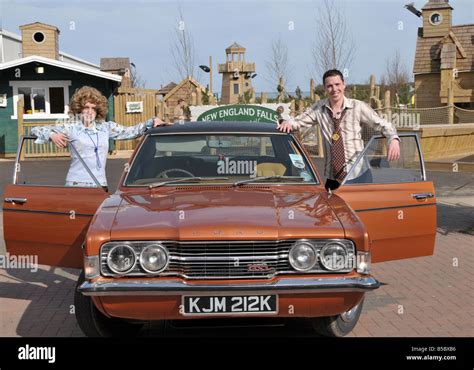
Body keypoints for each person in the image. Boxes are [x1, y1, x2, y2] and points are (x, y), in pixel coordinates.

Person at [278, 69, 400, 190]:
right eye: (329, 86)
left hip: (359, 175)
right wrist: (286, 122)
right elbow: (297, 122)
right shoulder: (318, 109)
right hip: (333, 178)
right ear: (325, 89)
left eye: (337, 84)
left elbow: (384, 125)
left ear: (344, 85)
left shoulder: (358, 107)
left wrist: (393, 139)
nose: (334, 89)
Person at [31, 86, 169, 188]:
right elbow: (35, 130)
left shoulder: (106, 127)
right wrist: (52, 134)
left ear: (98, 110)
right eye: (86, 107)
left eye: (93, 108)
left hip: (100, 184)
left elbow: (131, 131)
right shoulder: (70, 127)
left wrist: (152, 121)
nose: (90, 112)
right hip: (76, 184)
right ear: (79, 108)